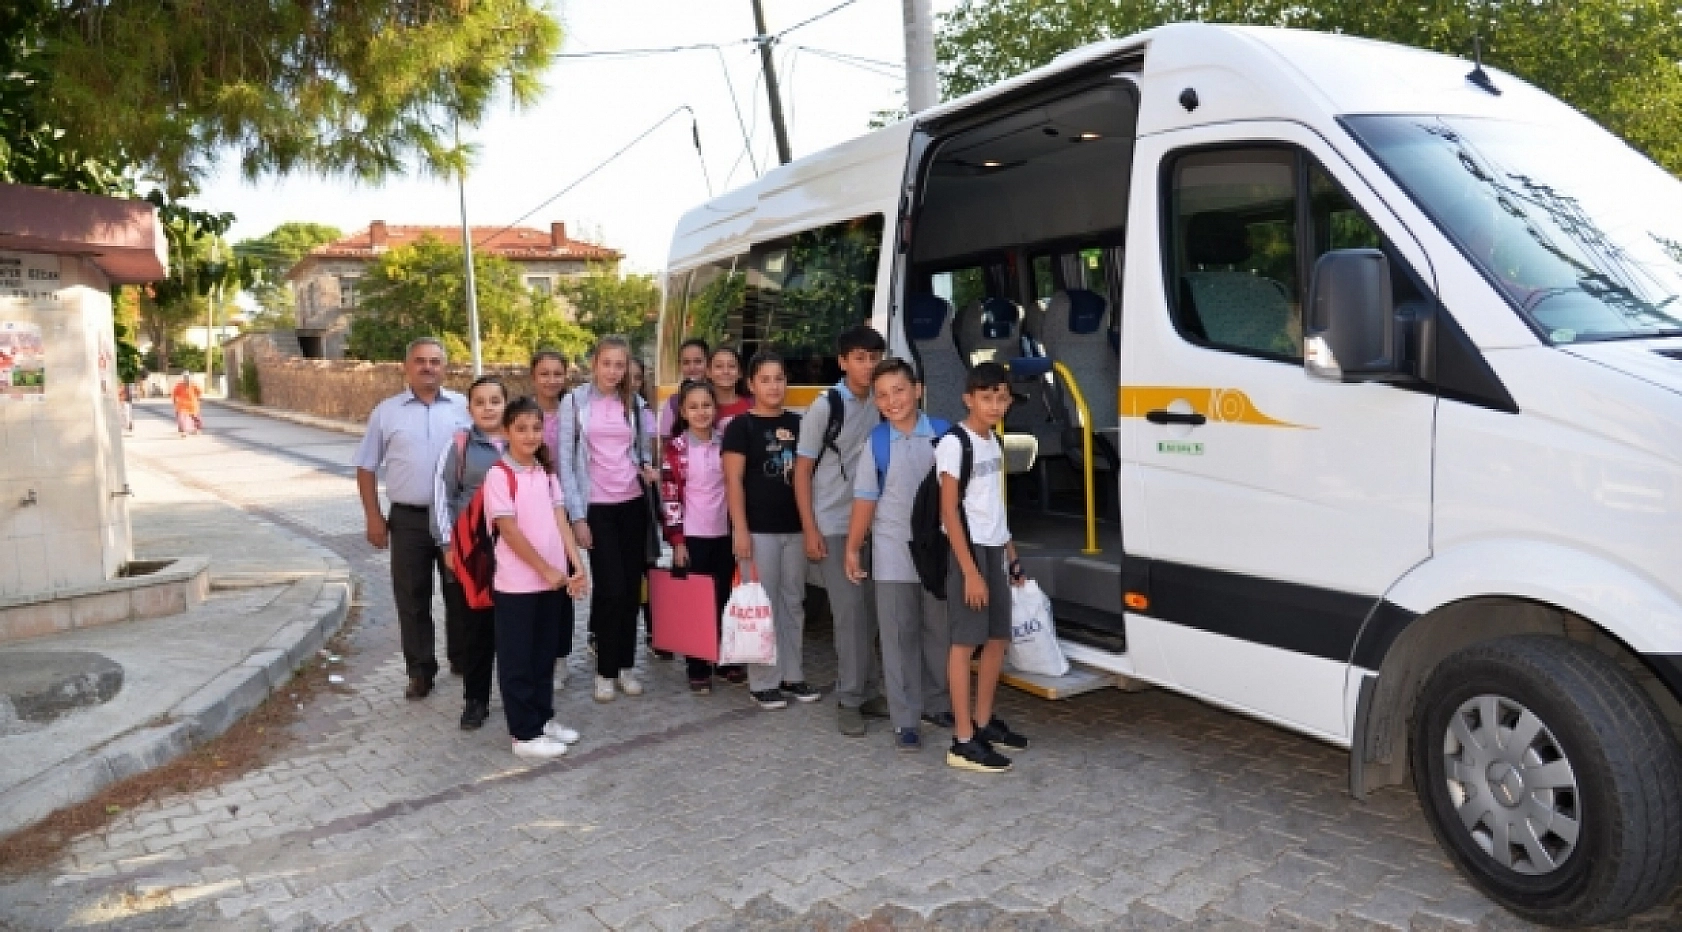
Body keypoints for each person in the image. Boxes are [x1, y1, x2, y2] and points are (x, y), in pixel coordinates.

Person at [353, 337, 471, 700]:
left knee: (460, 593)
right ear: (406, 367)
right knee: (412, 597)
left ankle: (463, 658)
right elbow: (366, 466)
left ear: (445, 367)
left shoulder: (463, 407)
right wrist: (374, 516)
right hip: (408, 520)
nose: (427, 367)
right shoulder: (386, 412)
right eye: (420, 361)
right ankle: (420, 671)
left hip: (454, 517)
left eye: (435, 361)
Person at [845, 359, 953, 752]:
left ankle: (938, 703)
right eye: (883, 394)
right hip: (892, 553)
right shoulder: (875, 443)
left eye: (899, 390)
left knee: (938, 631)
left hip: (937, 554)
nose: (892, 401)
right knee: (897, 636)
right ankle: (905, 719)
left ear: (918, 389)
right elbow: (864, 500)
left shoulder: (944, 435)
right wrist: (854, 548)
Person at [794, 325, 888, 736]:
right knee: (849, 615)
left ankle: (868, 690)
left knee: (868, 612)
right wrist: (809, 528)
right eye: (860, 358)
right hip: (832, 523)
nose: (868, 366)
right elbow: (801, 471)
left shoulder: (881, 400)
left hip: (870, 522)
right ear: (843, 362)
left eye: (874, 358)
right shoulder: (825, 406)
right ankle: (848, 700)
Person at [939, 361, 1030, 773]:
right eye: (986, 398)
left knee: (997, 640)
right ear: (968, 399)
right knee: (964, 644)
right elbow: (949, 512)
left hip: (994, 549)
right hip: (968, 554)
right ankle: (961, 741)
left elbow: (995, 506)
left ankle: (983, 722)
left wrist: (1012, 557)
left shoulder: (993, 442)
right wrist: (971, 571)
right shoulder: (955, 444)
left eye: (1002, 398)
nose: (994, 406)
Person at [486, 396, 589, 759]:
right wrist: (545, 569)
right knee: (518, 660)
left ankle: (543, 719)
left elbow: (561, 519)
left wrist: (576, 564)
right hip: (517, 586)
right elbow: (510, 532)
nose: (530, 435)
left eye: (536, 428)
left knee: (545, 656)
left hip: (553, 584)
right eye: (521, 429)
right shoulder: (499, 475)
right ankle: (524, 735)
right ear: (506, 432)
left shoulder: (546, 474)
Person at [559, 336, 658, 703]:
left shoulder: (633, 402)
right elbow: (567, 464)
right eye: (607, 364)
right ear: (594, 363)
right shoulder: (574, 402)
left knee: (631, 589)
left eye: (620, 366)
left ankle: (627, 666)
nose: (614, 372)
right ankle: (605, 669)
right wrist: (578, 516)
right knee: (610, 587)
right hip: (596, 506)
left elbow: (641, 451)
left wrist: (646, 467)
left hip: (632, 504)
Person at [723, 352, 819, 710]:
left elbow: (807, 476)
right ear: (751, 384)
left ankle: (792, 675)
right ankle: (763, 680)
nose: (774, 386)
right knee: (762, 607)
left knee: (793, 602)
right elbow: (733, 481)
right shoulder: (740, 427)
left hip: (794, 529)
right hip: (758, 531)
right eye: (765, 379)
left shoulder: (799, 424)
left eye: (779, 378)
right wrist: (740, 530)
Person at [432, 375, 510, 731]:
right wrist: (447, 544)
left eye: (495, 400)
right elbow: (441, 495)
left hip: (515, 550)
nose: (488, 407)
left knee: (513, 628)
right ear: (470, 408)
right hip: (473, 552)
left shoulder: (521, 441)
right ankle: (475, 700)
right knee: (476, 630)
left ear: (505, 404)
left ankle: (516, 695)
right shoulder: (460, 446)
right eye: (481, 402)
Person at [659, 380, 741, 692]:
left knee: (724, 598)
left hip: (725, 533)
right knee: (697, 602)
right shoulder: (676, 449)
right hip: (693, 535)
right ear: (682, 411)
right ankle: (697, 664)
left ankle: (726, 659)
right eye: (693, 407)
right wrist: (677, 541)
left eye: (706, 405)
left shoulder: (726, 442)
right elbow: (670, 498)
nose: (701, 412)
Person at [659, 338, 710, 437]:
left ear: (708, 363)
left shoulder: (718, 397)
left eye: (698, 361)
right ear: (680, 366)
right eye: (686, 362)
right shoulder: (673, 403)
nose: (692, 367)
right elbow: (665, 444)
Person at [531, 350, 569, 465]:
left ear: (565, 377)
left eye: (557, 374)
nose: (551, 380)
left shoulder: (574, 414)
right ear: (533, 377)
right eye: (544, 374)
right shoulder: (521, 414)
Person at [707, 346, 753, 432]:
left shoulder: (753, 405)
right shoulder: (701, 407)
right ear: (708, 372)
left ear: (740, 373)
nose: (726, 371)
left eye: (731, 366)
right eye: (719, 366)